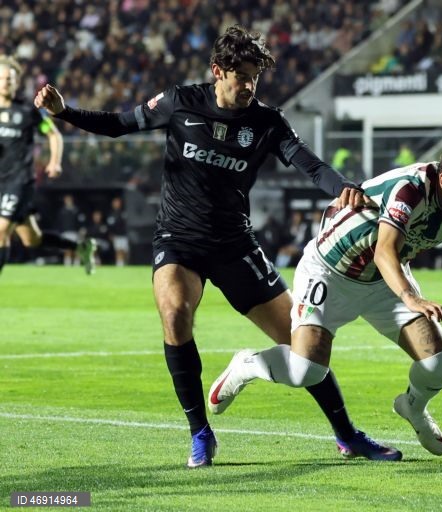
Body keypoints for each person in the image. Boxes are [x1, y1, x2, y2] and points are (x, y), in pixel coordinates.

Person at [35, 25, 400, 468]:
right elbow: (118, 125)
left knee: (303, 342)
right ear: (217, 71)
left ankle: (347, 435)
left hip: (234, 243)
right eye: (241, 76)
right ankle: (200, 433)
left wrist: (344, 188)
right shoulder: (180, 102)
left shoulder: (267, 122)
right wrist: (65, 112)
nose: (249, 86)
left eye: (255, 77)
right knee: (175, 314)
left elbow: (310, 165)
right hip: (179, 240)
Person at [208, 139, 442, 456]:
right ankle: (247, 364)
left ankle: (413, 406)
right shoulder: (410, 188)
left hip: (382, 281)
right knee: (305, 371)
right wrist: (411, 298)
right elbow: (384, 251)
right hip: (329, 271)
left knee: (439, 364)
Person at [0, 55, 95, 275]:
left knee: (1, 230)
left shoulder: (27, 111)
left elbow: (53, 134)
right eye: (2, 78)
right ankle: (80, 247)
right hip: (1, 181)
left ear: (16, 82)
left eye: (9, 79)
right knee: (32, 239)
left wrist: (54, 162)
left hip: (20, 181)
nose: (5, 82)